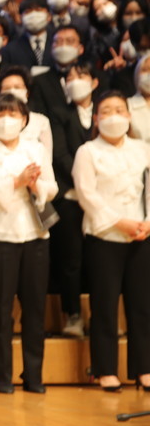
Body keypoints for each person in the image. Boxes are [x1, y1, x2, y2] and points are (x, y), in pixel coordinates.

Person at [0, 93, 57, 394]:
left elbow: (53, 187)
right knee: (0, 309)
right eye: (0, 114)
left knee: (34, 309)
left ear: (24, 119)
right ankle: (2, 375)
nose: (7, 120)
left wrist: (35, 184)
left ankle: (34, 375)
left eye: (14, 114)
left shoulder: (36, 148)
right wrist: (16, 182)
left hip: (35, 234)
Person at [72, 90, 150, 391]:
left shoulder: (143, 148)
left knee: (142, 306)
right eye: (106, 111)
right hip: (104, 235)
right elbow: (86, 194)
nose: (114, 116)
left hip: (141, 235)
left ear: (129, 116)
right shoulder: (88, 151)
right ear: (96, 118)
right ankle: (105, 369)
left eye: (120, 110)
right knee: (104, 306)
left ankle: (144, 368)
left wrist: (146, 224)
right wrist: (120, 222)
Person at [50, 63, 100, 338]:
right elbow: (60, 155)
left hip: (101, 199)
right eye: (69, 77)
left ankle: (101, 315)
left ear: (93, 82)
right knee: (71, 260)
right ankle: (73, 315)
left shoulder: (105, 111)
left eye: (80, 76)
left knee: (100, 260)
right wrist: (82, 182)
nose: (74, 81)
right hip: (70, 196)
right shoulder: (59, 114)